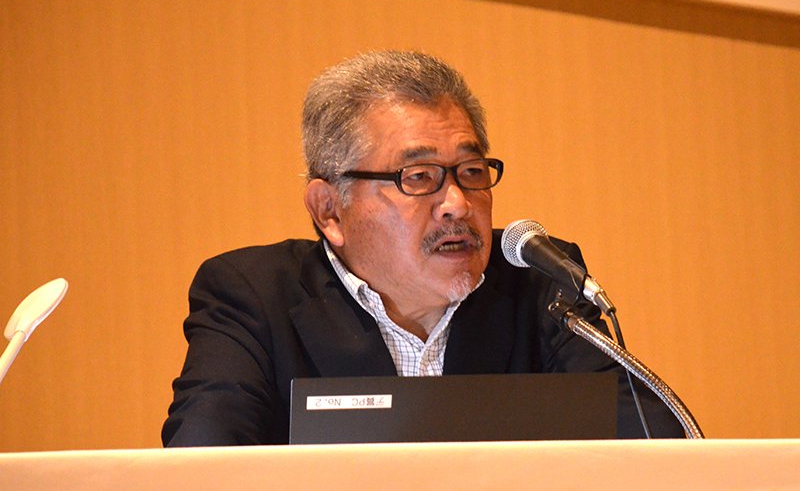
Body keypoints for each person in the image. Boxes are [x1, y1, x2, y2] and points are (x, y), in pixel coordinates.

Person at [162, 51, 684, 446]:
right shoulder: (254, 295)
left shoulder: (541, 281)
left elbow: (657, 450)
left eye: (471, 171)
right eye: (418, 176)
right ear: (329, 210)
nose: (457, 203)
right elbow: (203, 465)